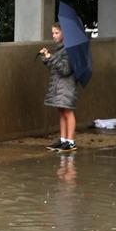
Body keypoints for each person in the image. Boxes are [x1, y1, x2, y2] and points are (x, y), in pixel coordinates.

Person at [40, 21, 78, 151]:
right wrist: (47, 57)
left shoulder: (70, 50)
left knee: (68, 111)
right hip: (59, 86)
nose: (54, 36)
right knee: (61, 111)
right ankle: (63, 140)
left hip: (66, 86)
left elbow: (66, 69)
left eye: (56, 33)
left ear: (64, 33)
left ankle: (71, 141)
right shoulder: (60, 49)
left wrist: (52, 57)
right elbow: (55, 66)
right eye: (53, 33)